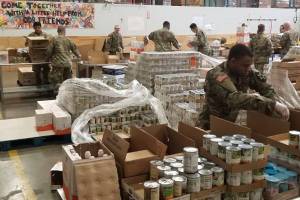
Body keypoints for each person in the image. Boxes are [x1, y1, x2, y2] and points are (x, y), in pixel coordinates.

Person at [198, 44, 289, 130]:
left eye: (250, 65)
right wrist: (270, 105)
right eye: (245, 65)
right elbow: (235, 99)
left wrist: (276, 104)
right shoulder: (217, 75)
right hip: (210, 125)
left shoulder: (246, 71)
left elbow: (265, 88)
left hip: (229, 124)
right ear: (233, 61)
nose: (248, 69)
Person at [47, 26, 81, 93]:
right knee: (67, 81)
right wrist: (79, 56)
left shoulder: (54, 39)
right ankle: (67, 94)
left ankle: (57, 95)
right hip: (67, 64)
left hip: (57, 64)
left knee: (57, 81)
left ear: (57, 31)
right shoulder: (68, 39)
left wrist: (47, 59)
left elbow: (49, 51)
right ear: (64, 31)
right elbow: (75, 49)